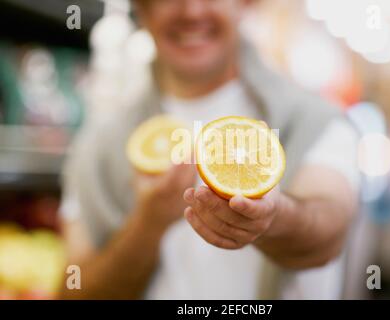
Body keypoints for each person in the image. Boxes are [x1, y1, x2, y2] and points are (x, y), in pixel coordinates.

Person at [60, 0, 359, 299]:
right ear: (144, 9)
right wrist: (148, 223)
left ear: (244, 4)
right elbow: (74, 292)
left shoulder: (313, 120)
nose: (192, 11)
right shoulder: (98, 143)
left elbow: (328, 234)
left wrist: (273, 216)